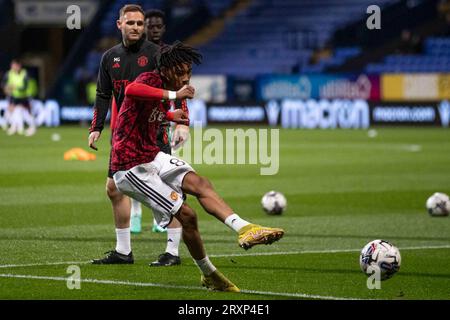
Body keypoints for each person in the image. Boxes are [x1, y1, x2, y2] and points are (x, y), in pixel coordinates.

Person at [105, 41, 284, 291]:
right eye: (180, 72)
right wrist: (173, 97)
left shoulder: (168, 86)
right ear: (165, 70)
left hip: (151, 156)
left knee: (199, 183)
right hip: (129, 167)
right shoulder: (151, 80)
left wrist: (170, 116)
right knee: (187, 215)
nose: (186, 77)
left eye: (188, 72)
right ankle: (208, 273)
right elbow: (133, 91)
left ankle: (245, 228)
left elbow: (144, 113)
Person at [88, 4, 159, 263]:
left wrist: (180, 120)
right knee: (114, 189)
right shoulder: (110, 57)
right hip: (124, 135)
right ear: (120, 25)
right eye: (130, 23)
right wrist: (96, 127)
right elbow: (103, 94)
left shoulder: (156, 54)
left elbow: (176, 84)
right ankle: (124, 251)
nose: (136, 28)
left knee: (168, 188)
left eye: (140, 24)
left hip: (153, 133)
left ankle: (173, 251)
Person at [137, 8, 190, 268]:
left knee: (170, 183)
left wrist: (183, 123)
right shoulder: (134, 54)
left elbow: (181, 89)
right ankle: (132, 226)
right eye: (151, 25)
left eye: (159, 25)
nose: (154, 29)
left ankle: (172, 250)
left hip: (158, 128)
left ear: (164, 28)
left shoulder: (169, 55)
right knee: (121, 184)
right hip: (132, 129)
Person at [1, 59, 35, 136]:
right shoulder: (9, 73)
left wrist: (14, 87)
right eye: (12, 65)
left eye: (14, 65)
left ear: (19, 66)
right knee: (10, 111)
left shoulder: (24, 73)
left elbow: (25, 86)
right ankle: (14, 127)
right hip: (13, 96)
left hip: (24, 96)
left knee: (26, 113)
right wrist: (6, 88)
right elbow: (3, 83)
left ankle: (31, 127)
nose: (13, 67)